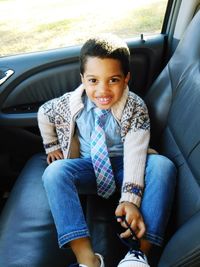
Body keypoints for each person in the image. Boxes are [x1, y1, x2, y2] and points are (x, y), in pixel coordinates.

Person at [38, 34, 176, 267]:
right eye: (93, 80)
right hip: (88, 167)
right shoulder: (71, 103)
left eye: (113, 80)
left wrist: (130, 200)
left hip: (126, 167)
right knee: (54, 172)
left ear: (126, 78)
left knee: (163, 165)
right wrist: (52, 145)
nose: (102, 90)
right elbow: (44, 112)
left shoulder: (134, 107)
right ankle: (87, 259)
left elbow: (134, 152)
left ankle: (138, 255)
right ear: (82, 78)